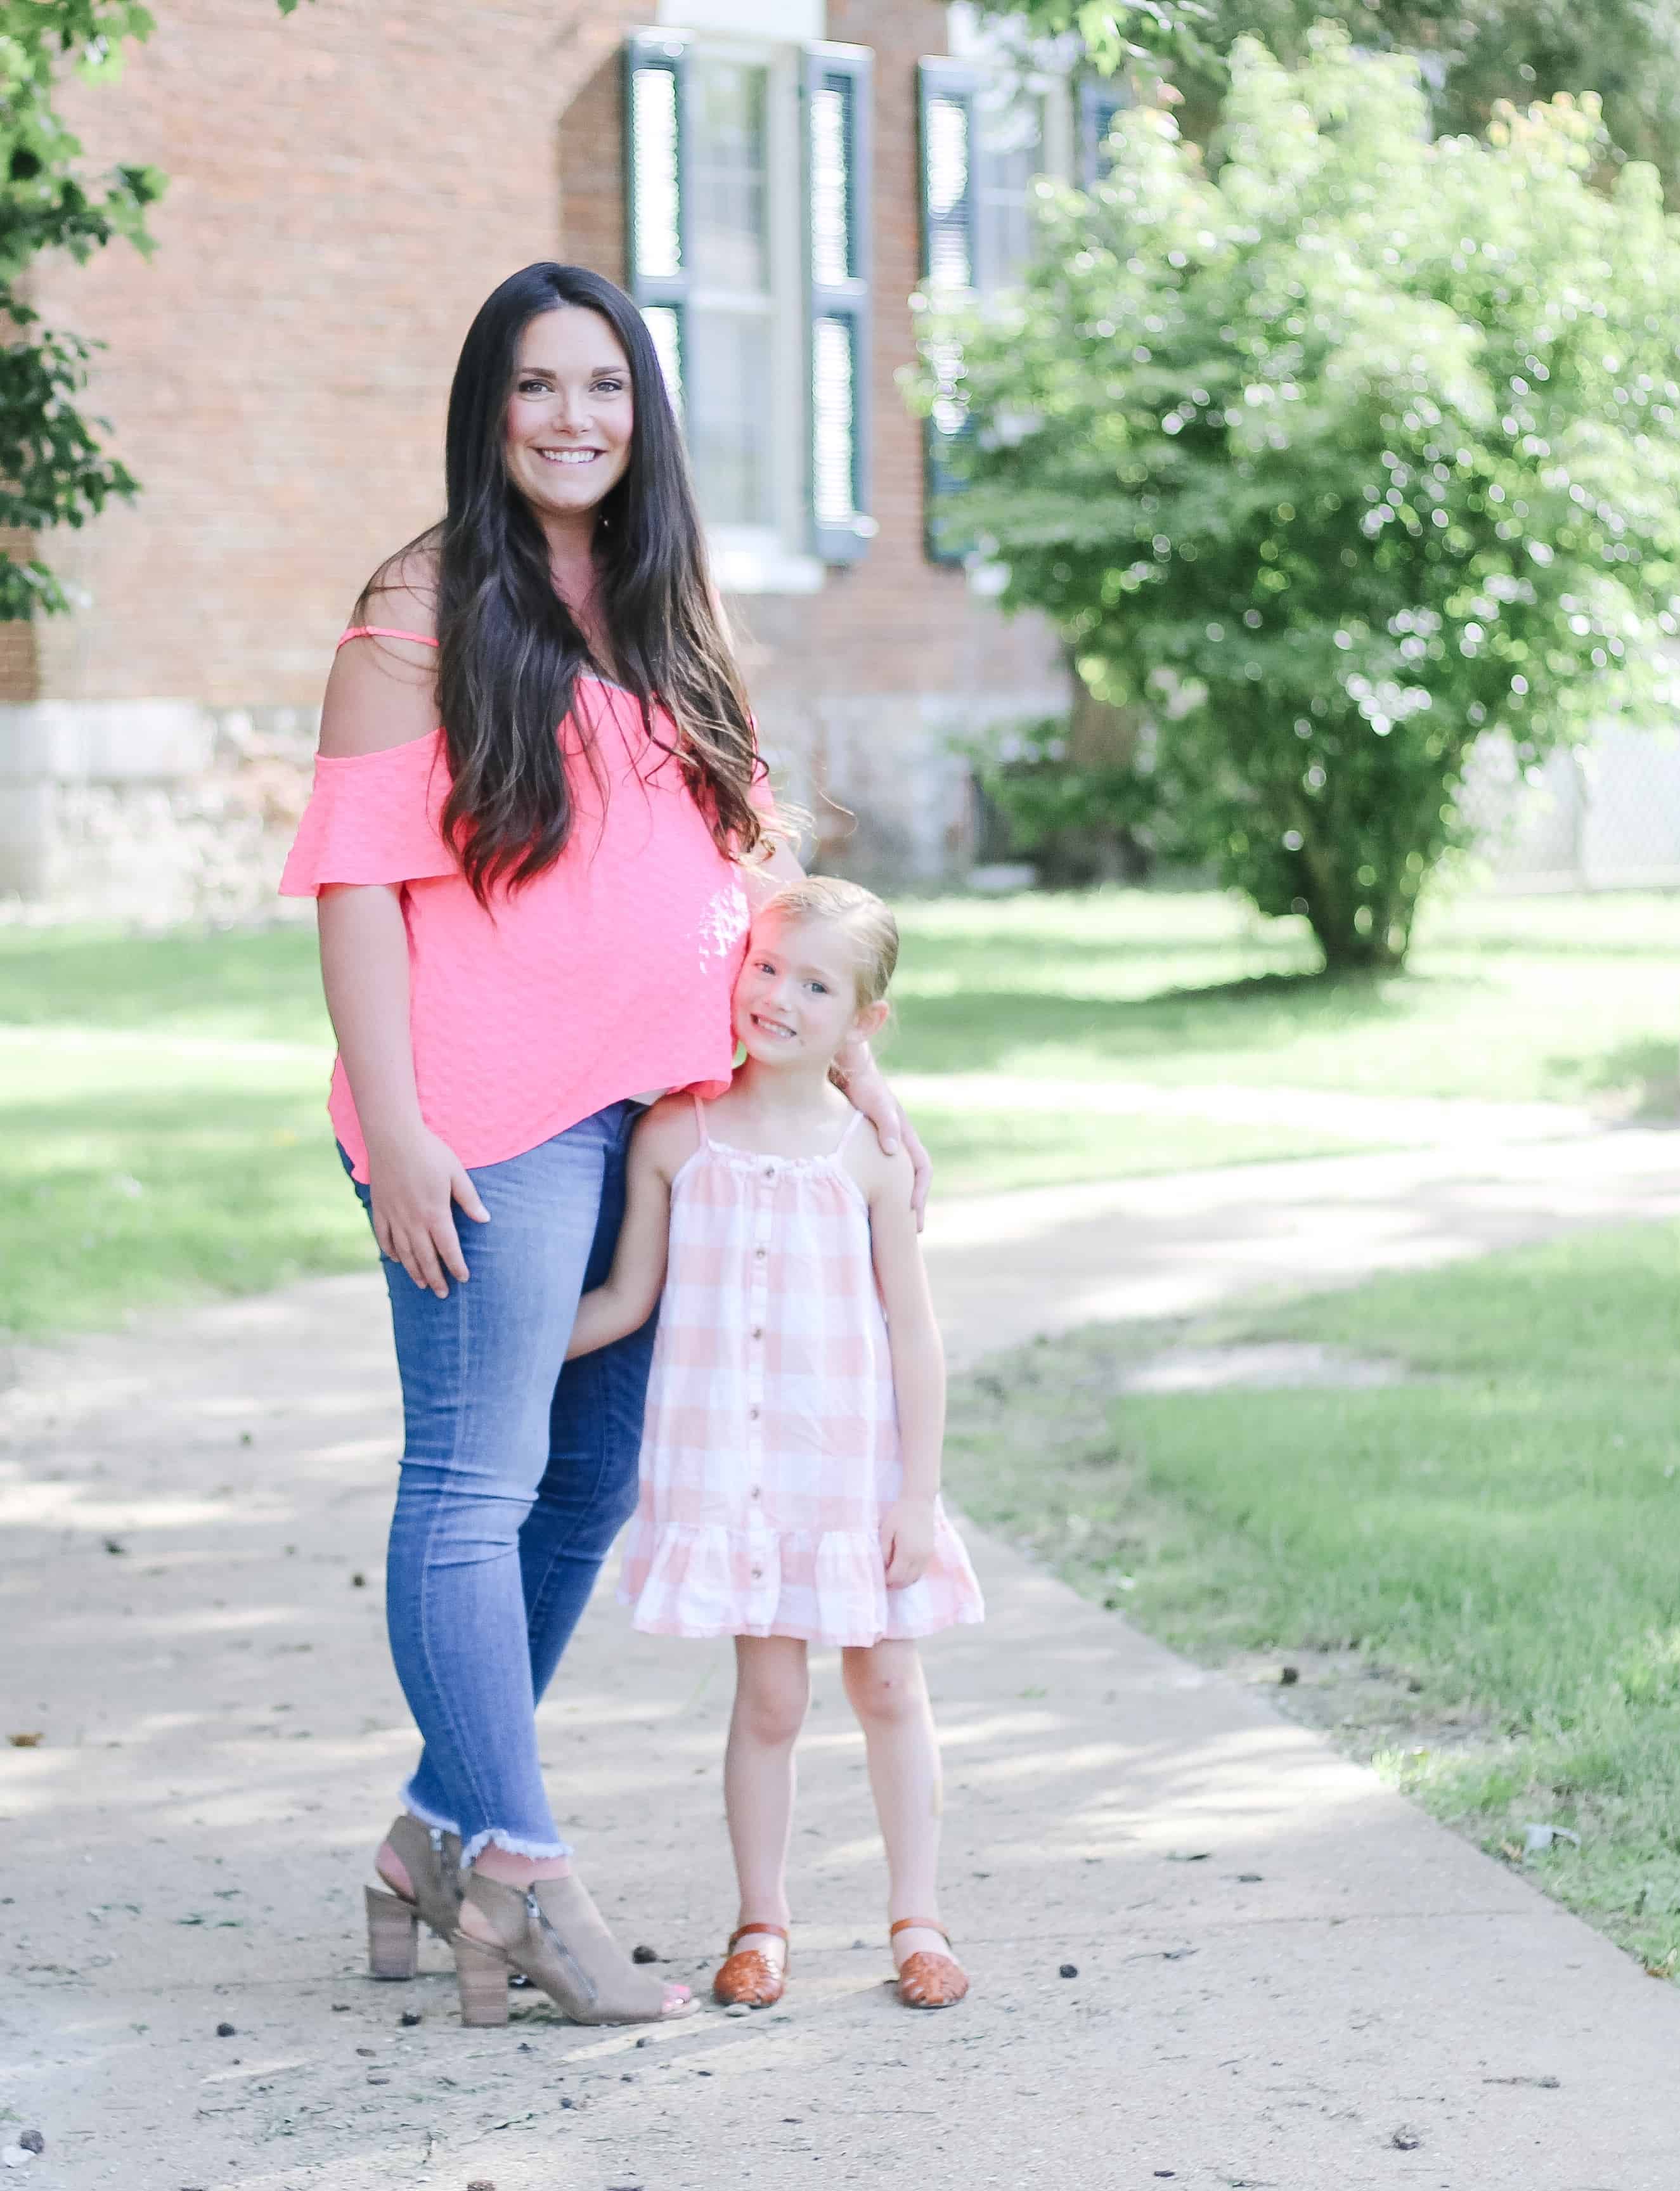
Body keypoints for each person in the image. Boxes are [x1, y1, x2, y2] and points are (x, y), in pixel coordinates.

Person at [278, 262, 926, 2028]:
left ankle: (436, 1828)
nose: (576, 419)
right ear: (490, 411)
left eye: (608, 387)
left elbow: (744, 864)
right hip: (483, 1124)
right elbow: (354, 892)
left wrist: (846, 1057)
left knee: (593, 1481)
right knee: (476, 1483)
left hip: (664, 1110)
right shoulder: (415, 612)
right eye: (539, 388)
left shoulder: (662, 596)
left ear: (643, 414)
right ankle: (524, 1873)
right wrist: (396, 1126)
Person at [564, 877, 984, 2017]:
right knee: (768, 1702)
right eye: (766, 967)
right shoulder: (677, 1135)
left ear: (864, 1024)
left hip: (851, 1474)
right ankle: (762, 1920)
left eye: (816, 984)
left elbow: (916, 1334)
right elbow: (623, 1300)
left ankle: (919, 1919)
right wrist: (517, 1345)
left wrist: (919, 1496)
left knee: (888, 1683)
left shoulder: (871, 1156)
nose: (780, 997)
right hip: (736, 1481)